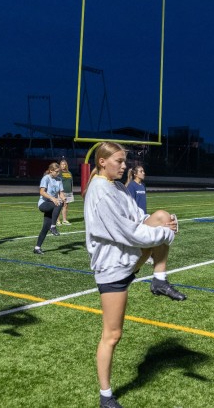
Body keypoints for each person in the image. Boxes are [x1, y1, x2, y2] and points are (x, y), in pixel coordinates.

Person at [83, 142, 186, 408]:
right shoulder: (100, 191)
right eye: (119, 161)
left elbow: (139, 217)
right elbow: (129, 233)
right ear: (102, 162)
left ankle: (159, 280)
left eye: (125, 161)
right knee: (112, 334)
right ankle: (105, 397)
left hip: (128, 258)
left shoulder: (116, 186)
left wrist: (166, 223)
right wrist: (166, 233)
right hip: (113, 266)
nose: (124, 165)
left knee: (162, 216)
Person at [35, 162, 65, 255]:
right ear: (51, 171)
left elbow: (61, 193)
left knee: (45, 227)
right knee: (58, 204)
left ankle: (37, 248)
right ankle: (53, 226)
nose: (58, 173)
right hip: (44, 204)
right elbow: (42, 192)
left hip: (52, 205)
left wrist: (63, 197)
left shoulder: (59, 179)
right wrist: (53, 198)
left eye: (58, 171)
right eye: (56, 171)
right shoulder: (46, 178)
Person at [59, 159, 74, 225]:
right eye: (62, 164)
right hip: (61, 192)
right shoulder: (59, 173)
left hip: (69, 192)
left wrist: (71, 190)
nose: (63, 166)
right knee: (59, 206)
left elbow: (71, 182)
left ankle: (64, 220)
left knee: (65, 206)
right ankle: (58, 221)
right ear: (60, 165)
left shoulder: (69, 172)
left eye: (64, 164)